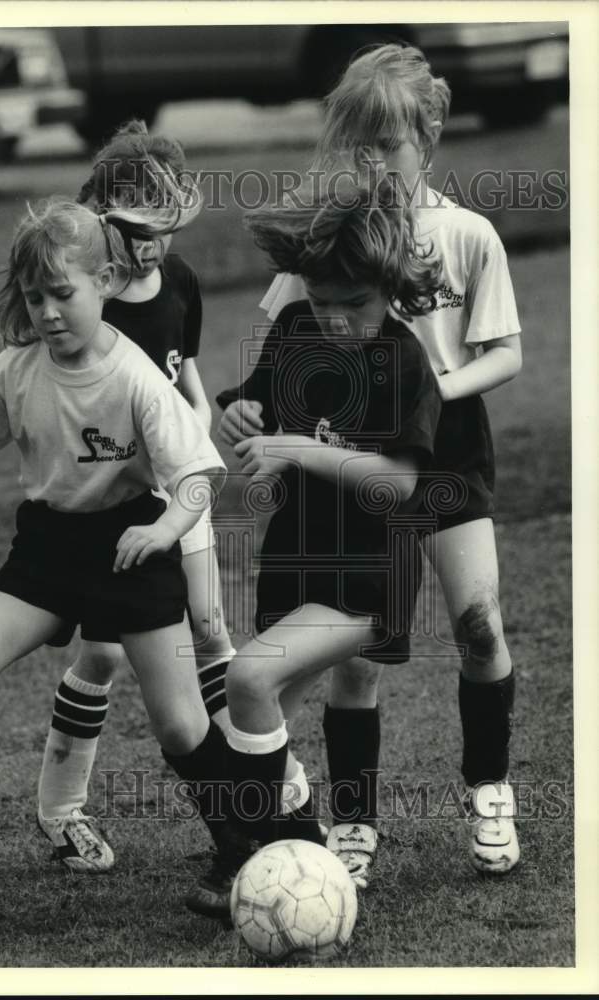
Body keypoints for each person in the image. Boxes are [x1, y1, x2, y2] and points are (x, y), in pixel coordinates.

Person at [0, 196, 229, 905]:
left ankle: (243, 848)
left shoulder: (137, 379)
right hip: (51, 548)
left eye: (63, 293)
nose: (48, 312)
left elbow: (200, 474)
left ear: (105, 282)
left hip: (131, 542)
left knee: (182, 724)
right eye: (35, 298)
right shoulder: (17, 367)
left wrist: (161, 532)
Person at [219, 44, 522, 888]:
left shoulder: (467, 234)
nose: (370, 161)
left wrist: (432, 388)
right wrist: (252, 409)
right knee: (355, 656)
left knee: (478, 623)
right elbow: (281, 344)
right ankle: (352, 820)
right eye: (354, 145)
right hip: (354, 467)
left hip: (446, 457)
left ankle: (488, 787)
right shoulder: (331, 238)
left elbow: (506, 354)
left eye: (384, 144)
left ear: (428, 136)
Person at [192, 175, 443, 915]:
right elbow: (252, 408)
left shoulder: (403, 363)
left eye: (354, 306)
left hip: (370, 576)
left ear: (390, 288)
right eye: (322, 300)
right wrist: (238, 418)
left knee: (248, 681)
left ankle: (266, 852)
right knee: (247, 720)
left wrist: (294, 448)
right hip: (296, 561)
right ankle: (287, 840)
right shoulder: (297, 326)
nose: (334, 320)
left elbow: (396, 484)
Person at [34, 123, 235, 877]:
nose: (151, 246)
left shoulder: (181, 282)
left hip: (181, 481)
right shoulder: (90, 300)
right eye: (135, 230)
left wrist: (200, 418)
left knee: (212, 630)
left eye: (165, 228)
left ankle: (260, 782)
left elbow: (185, 371)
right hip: (122, 496)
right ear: (103, 221)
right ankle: (61, 811)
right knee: (105, 652)